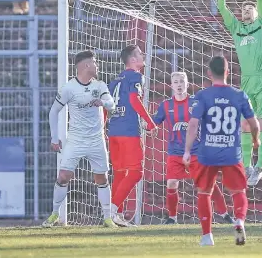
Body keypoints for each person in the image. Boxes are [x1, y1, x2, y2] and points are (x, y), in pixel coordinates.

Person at [184, 55, 260, 246]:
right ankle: (240, 221)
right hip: (231, 152)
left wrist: (186, 150)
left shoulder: (202, 96)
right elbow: (254, 123)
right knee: (238, 191)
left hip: (207, 152)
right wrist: (255, 139)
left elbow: (193, 125)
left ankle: (207, 236)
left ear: (209, 73)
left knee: (204, 193)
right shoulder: (239, 95)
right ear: (228, 72)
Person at [217, 0, 262, 186]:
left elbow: (260, 0)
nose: (245, 11)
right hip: (246, 81)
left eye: (249, 8)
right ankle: (248, 166)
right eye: (243, 9)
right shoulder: (237, 29)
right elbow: (221, 7)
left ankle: (259, 167)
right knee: (243, 124)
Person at [43, 50, 116, 228]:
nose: (97, 65)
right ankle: (54, 215)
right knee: (63, 175)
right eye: (94, 62)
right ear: (85, 65)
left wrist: (104, 103)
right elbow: (53, 111)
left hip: (96, 140)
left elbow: (111, 103)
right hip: (75, 139)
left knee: (101, 178)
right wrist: (55, 137)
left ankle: (107, 218)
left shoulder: (99, 85)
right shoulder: (69, 88)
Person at [153, 71, 234, 225]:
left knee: (209, 184)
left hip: (197, 152)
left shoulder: (196, 103)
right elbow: (155, 122)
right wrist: (146, 124)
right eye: (175, 82)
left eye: (181, 82)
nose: (178, 85)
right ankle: (172, 218)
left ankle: (225, 215)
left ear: (187, 84)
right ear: (171, 85)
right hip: (175, 152)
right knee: (171, 183)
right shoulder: (166, 105)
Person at [107, 45, 157, 227]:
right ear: (133, 60)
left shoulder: (114, 82)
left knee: (120, 174)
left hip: (114, 131)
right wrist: (150, 122)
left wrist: (105, 126)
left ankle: (116, 215)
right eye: (140, 54)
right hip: (129, 130)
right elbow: (134, 99)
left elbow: (107, 107)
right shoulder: (136, 77)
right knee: (136, 172)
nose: (143, 55)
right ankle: (111, 211)